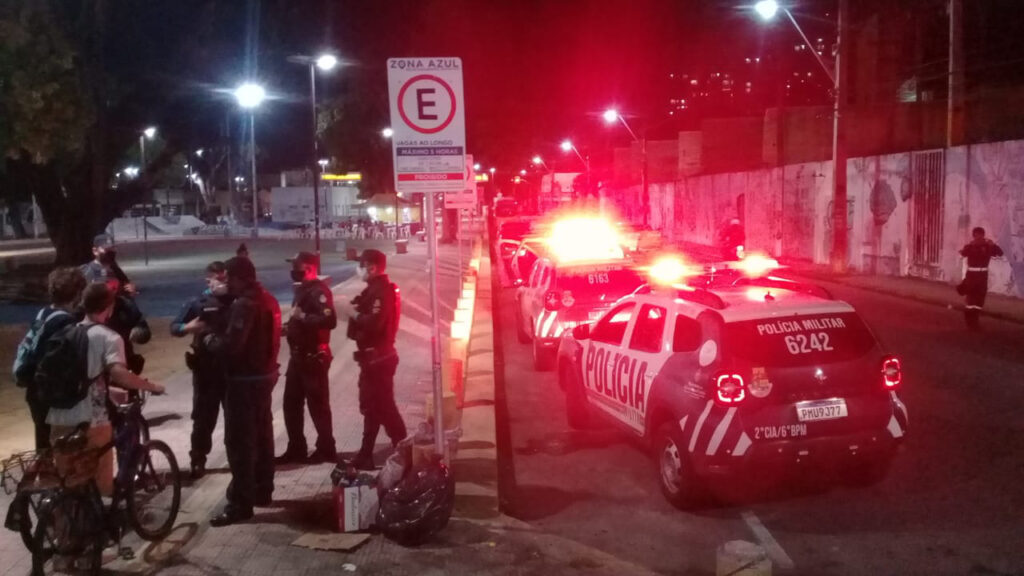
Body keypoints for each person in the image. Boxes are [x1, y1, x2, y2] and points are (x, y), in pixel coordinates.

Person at [45, 283, 164, 495]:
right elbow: (119, 374)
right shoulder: (108, 336)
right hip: (92, 421)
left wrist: (110, 391)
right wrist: (151, 386)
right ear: (109, 307)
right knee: (100, 483)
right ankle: (99, 526)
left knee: (67, 483)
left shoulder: (67, 332)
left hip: (58, 416)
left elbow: (82, 377)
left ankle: (65, 525)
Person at [203, 257, 281, 526]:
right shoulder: (268, 299)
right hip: (264, 377)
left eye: (229, 279)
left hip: (244, 381)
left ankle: (241, 503)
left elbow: (232, 347)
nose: (226, 283)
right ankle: (263, 489)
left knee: (239, 443)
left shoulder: (245, 305)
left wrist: (210, 340)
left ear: (239, 278)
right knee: (262, 436)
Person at [341, 249, 406, 470]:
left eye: (362, 265)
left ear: (372, 268)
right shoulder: (372, 290)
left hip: (380, 358)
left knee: (383, 407)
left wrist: (354, 314)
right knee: (375, 407)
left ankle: (401, 450)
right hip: (373, 358)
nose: (359, 269)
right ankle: (369, 453)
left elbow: (375, 324)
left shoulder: (381, 292)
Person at [170, 261, 233, 479]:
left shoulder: (236, 301)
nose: (222, 283)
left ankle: (237, 459)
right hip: (205, 372)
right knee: (203, 419)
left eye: (225, 278)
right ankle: (198, 459)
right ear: (209, 279)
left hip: (231, 371)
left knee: (234, 419)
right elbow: (174, 327)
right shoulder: (197, 303)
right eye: (219, 278)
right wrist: (188, 328)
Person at [13, 267, 86, 450]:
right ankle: (45, 475)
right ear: (77, 294)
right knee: (59, 444)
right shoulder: (65, 323)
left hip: (33, 386)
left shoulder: (43, 313)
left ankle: (40, 474)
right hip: (49, 390)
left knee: (43, 441)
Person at [278, 252, 338, 464]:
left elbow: (329, 321)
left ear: (310, 268)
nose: (293, 270)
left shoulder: (319, 292)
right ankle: (296, 448)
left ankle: (326, 448)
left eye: (298, 267)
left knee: (318, 406)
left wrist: (302, 317)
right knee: (291, 404)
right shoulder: (302, 290)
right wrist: (287, 328)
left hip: (313, 356)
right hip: (298, 357)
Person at [957, 227, 1004, 330]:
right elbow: (962, 253)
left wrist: (993, 245)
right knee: (970, 300)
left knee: (979, 300)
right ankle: (970, 323)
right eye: (977, 235)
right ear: (974, 236)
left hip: (983, 275)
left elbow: (1000, 253)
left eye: (981, 235)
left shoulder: (988, 246)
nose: (979, 237)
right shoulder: (970, 246)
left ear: (983, 235)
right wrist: (970, 247)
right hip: (972, 275)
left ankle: (975, 322)